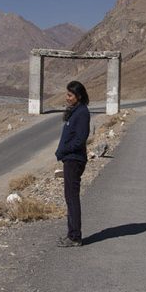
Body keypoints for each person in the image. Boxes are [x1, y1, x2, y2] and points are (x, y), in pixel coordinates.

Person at [55, 80, 90, 247]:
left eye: (70, 95)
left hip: (74, 160)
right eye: (67, 94)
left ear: (79, 96)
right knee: (70, 198)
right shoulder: (75, 112)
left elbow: (80, 139)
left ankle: (75, 236)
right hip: (70, 159)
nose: (67, 98)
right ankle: (72, 234)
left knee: (72, 198)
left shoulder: (82, 113)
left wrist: (63, 151)